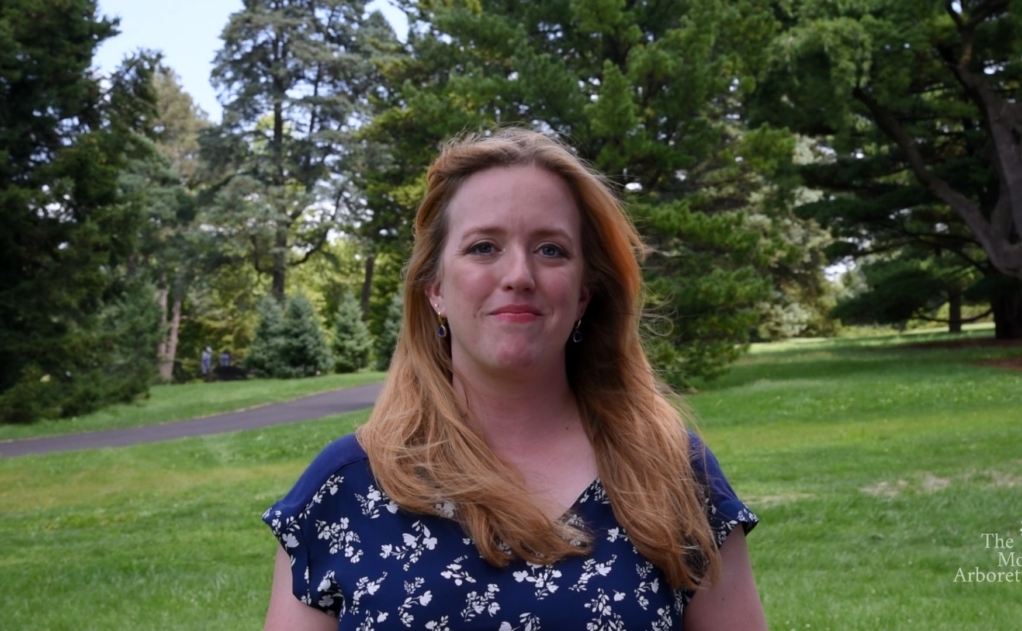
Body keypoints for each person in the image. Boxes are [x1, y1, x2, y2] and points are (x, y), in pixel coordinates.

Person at [262, 129, 767, 631]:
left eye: (551, 250)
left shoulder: (672, 470)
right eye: (484, 247)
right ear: (435, 289)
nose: (519, 274)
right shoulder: (342, 491)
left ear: (584, 294)